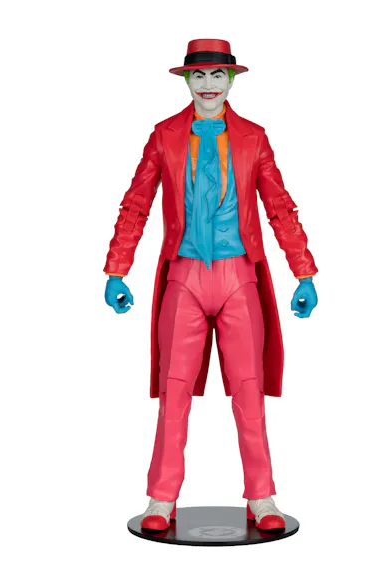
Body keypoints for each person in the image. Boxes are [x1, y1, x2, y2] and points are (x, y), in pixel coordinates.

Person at [104, 39, 318, 531]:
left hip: (239, 276)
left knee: (248, 390)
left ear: (231, 80)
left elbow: (279, 206)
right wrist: (117, 269)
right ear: (186, 80)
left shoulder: (254, 138)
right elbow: (136, 203)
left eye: (217, 75)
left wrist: (303, 271)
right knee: (174, 391)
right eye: (198, 75)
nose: (208, 85)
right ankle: (161, 499)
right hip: (184, 277)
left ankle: (261, 497)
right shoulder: (164, 136)